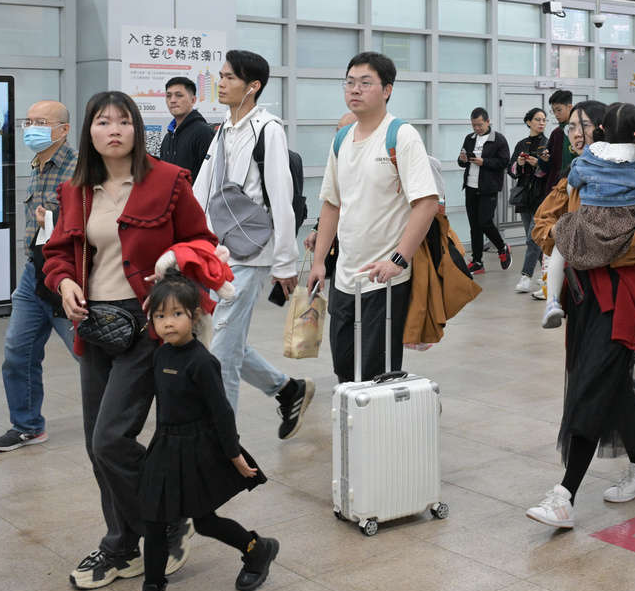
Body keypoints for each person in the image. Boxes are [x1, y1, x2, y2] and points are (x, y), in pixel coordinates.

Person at [43, 91, 214, 590]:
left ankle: (164, 520)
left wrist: (171, 266)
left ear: (138, 130)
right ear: (89, 132)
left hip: (146, 327)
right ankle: (123, 545)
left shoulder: (169, 180)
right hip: (94, 325)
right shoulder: (76, 189)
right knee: (98, 448)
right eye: (103, 122)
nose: (113, 130)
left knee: (111, 440)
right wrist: (64, 282)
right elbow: (58, 252)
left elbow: (202, 243)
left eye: (123, 121)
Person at [526, 100, 635, 527]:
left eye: (583, 125)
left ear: (603, 129)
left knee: (590, 385)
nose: (575, 132)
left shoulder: (634, 174)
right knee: (613, 385)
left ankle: (564, 495)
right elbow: (542, 228)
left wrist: (591, 242)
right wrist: (566, 235)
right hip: (583, 296)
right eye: (571, 126)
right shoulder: (577, 175)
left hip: (619, 296)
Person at [121, 271, 278, 591]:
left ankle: (257, 549)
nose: (167, 323)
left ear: (194, 316)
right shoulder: (160, 356)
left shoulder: (203, 362)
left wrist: (234, 455)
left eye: (176, 314)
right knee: (153, 522)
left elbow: (222, 413)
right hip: (166, 447)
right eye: (159, 316)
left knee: (204, 522)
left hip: (197, 451)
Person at [192, 50, 312, 437]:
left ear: (253, 86)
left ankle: (223, 442)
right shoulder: (223, 130)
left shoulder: (268, 130)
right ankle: (288, 389)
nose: (221, 83)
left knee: (221, 351)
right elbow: (202, 190)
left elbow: (281, 196)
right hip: (220, 250)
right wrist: (190, 242)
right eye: (221, 76)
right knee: (225, 337)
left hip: (253, 251)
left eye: (230, 77)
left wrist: (285, 263)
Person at [307, 52, 440, 385]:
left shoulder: (401, 135)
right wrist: (319, 262)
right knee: (344, 369)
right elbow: (332, 204)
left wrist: (398, 260)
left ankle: (380, 420)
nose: (355, 89)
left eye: (366, 83)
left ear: (387, 90)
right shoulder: (342, 139)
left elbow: (426, 202)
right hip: (344, 278)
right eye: (350, 82)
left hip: (385, 280)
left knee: (376, 375)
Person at [541, 103, 635, 335]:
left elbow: (573, 181)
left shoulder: (589, 157)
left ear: (602, 129)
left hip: (588, 227)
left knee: (560, 246)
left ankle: (552, 303)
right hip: (628, 232)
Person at [0, 100, 80, 453]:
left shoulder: (79, 169)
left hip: (67, 275)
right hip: (33, 273)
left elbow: (89, 224)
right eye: (28, 122)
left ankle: (119, 418)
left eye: (41, 122)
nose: (31, 129)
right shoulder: (38, 164)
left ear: (63, 129)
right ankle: (27, 427)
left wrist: (52, 222)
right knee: (17, 351)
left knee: (87, 354)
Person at [457, 107, 511, 274]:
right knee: (474, 226)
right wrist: (462, 159)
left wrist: (484, 162)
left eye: (479, 124)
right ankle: (477, 261)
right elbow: (462, 163)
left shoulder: (498, 139)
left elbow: (504, 162)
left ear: (488, 122)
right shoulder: (469, 138)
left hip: (488, 188)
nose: (476, 128)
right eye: (473, 125)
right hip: (471, 186)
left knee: (484, 222)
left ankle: (502, 247)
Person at [508, 108, 551, 292]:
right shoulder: (521, 144)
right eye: (538, 119)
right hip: (525, 196)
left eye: (544, 120)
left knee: (532, 238)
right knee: (534, 237)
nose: (541, 123)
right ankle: (545, 274)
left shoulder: (548, 144)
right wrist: (519, 164)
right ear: (529, 122)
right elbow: (511, 171)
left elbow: (550, 171)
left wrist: (538, 164)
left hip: (542, 196)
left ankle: (526, 276)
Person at [158, 76, 215, 183]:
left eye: (179, 95)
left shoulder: (203, 132)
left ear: (193, 100)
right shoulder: (168, 137)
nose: (172, 100)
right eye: (169, 96)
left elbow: (210, 177)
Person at [544, 89, 575, 190]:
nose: (556, 114)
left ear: (569, 107)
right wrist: (544, 160)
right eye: (553, 111)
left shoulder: (580, 131)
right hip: (557, 184)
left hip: (576, 183)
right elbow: (548, 165)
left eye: (559, 110)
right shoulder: (556, 133)